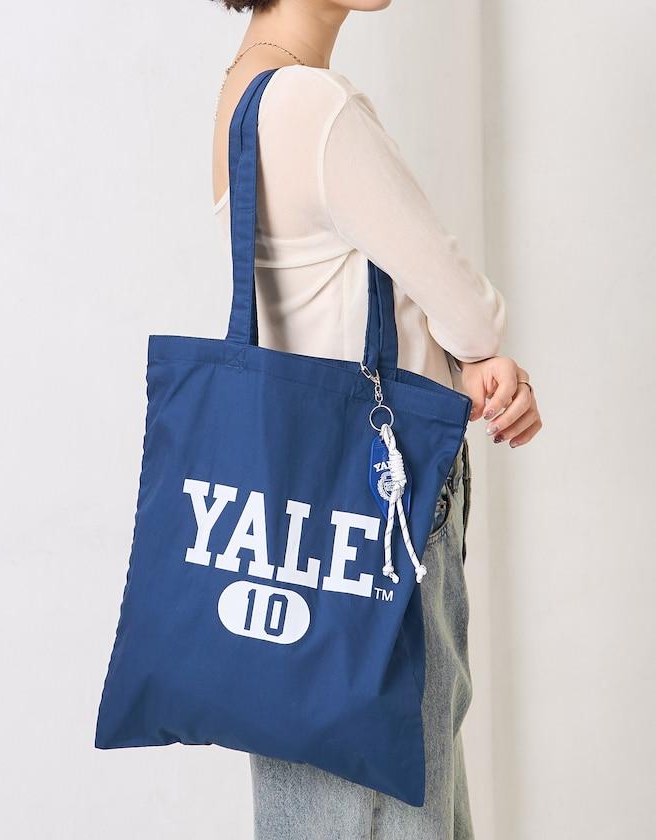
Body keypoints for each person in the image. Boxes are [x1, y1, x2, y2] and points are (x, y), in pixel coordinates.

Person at [210, 2, 542, 838]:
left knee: (322, 805)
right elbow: (468, 308)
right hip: (384, 510)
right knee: (406, 809)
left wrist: (464, 353)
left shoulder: (241, 92)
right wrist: (479, 354)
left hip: (293, 522)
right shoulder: (314, 104)